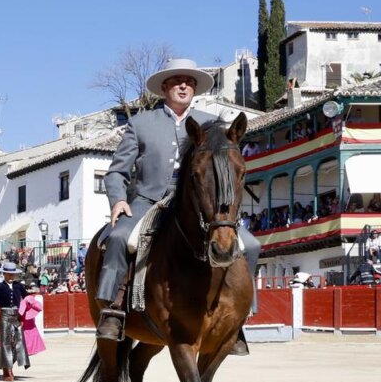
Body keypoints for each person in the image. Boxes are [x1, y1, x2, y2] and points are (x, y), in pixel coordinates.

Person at [97, 58, 260, 353]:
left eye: (189, 81)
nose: (184, 85)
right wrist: (118, 199)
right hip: (148, 201)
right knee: (121, 237)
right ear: (164, 88)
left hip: (197, 203)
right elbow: (117, 171)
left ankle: (237, 320)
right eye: (176, 81)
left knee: (251, 245)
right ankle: (114, 309)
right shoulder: (141, 123)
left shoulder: (211, 125)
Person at [0, 261, 28, 382]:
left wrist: (27, 314)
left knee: (19, 343)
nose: (11, 276)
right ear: (4, 274)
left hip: (17, 316)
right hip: (5, 316)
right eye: (8, 274)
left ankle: (9, 364)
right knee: (6, 343)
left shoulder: (19, 286)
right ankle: (7, 370)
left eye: (13, 274)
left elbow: (27, 299)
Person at [19, 281, 46, 360]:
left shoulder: (28, 298)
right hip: (23, 318)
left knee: (29, 334)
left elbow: (38, 307)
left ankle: (27, 351)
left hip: (26, 319)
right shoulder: (21, 297)